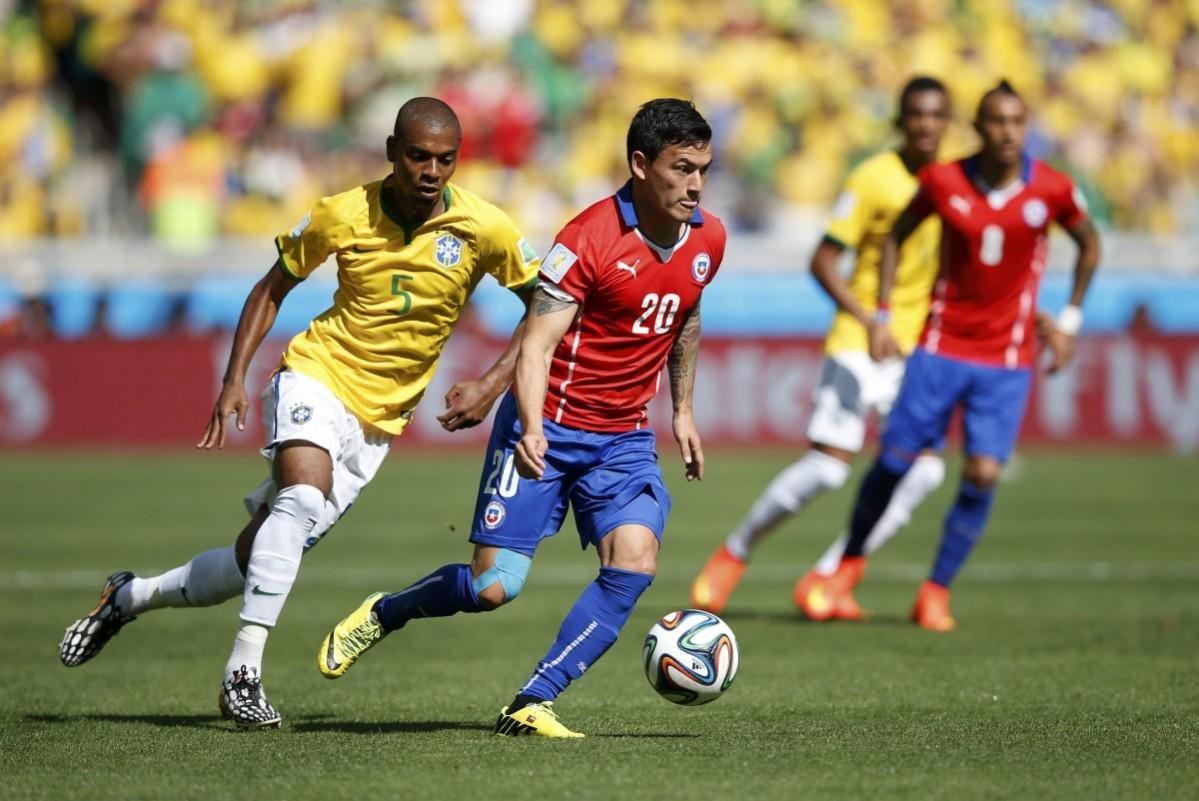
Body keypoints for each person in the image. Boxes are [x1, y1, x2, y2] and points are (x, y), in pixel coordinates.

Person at [57, 98, 541, 727]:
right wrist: (235, 378)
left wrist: (494, 382)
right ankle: (243, 673)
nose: (430, 171)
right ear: (392, 151)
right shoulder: (344, 213)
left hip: (377, 426)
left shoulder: (488, 227)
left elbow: (547, 305)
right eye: (418, 156)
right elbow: (271, 288)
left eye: (444, 160)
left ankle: (128, 597)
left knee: (247, 563)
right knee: (304, 498)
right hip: (316, 376)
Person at [316, 98, 726, 738]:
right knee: (493, 589)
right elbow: (535, 344)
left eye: (704, 167)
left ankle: (534, 699)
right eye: (683, 168)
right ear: (641, 165)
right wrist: (531, 425)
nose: (696, 184)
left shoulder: (709, 238)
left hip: (622, 439)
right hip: (550, 430)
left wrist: (684, 409)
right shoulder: (587, 239)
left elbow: (687, 314)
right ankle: (389, 611)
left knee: (636, 562)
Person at [834, 80, 1100, 631]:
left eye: (1017, 122)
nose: (1008, 132)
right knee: (893, 461)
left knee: (981, 472)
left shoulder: (1051, 188)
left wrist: (1069, 320)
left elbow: (1090, 244)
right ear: (978, 128)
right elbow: (894, 237)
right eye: (997, 122)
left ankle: (935, 591)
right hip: (940, 347)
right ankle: (848, 564)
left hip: (1005, 358)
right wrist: (881, 313)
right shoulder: (943, 180)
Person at [691, 77, 951, 620]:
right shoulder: (873, 179)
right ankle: (732, 554)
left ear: (947, 123)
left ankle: (834, 574)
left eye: (937, 115)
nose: (927, 125)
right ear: (900, 122)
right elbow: (823, 260)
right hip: (862, 339)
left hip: (915, 348)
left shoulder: (953, 184)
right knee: (830, 468)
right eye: (917, 115)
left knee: (926, 470)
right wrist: (869, 318)